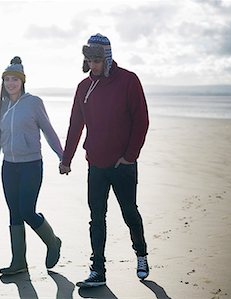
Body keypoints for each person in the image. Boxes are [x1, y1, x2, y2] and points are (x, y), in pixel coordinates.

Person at [59, 33, 150, 287]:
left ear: (107, 58)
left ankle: (141, 254)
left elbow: (141, 120)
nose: (93, 65)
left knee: (129, 212)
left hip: (123, 165)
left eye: (97, 60)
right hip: (96, 164)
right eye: (89, 60)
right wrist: (67, 158)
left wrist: (130, 156)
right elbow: (76, 124)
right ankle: (97, 270)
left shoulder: (128, 81)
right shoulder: (83, 88)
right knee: (96, 218)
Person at [0, 56, 63, 275]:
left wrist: (62, 157)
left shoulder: (34, 103)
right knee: (14, 213)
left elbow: (48, 132)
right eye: (7, 79)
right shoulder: (0, 106)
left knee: (27, 211)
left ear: (22, 81)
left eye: (15, 79)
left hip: (31, 165)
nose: (11, 83)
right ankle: (19, 262)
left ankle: (53, 242)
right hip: (9, 167)